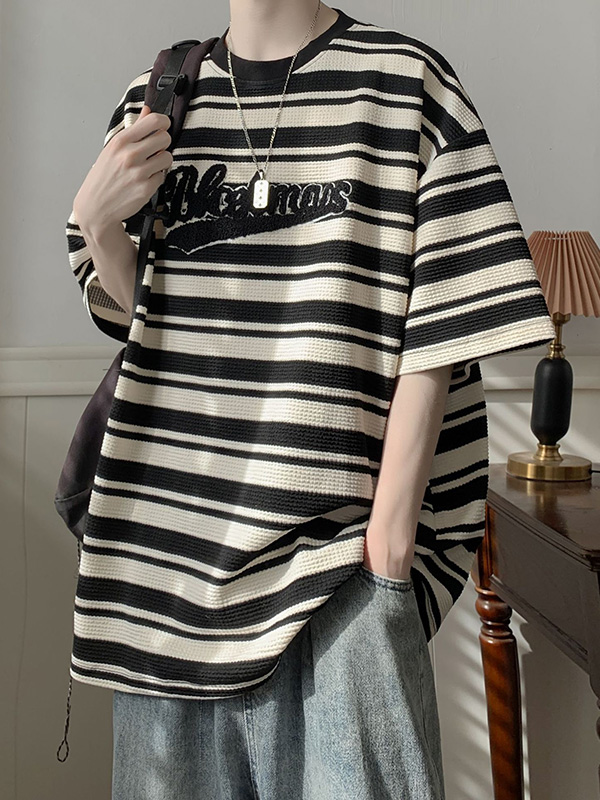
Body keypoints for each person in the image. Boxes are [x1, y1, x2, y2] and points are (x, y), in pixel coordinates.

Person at [62, 1, 556, 798]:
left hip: (338, 585)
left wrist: (387, 547)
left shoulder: (406, 84)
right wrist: (95, 223)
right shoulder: (154, 101)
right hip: (167, 591)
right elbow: (151, 327)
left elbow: (443, 328)